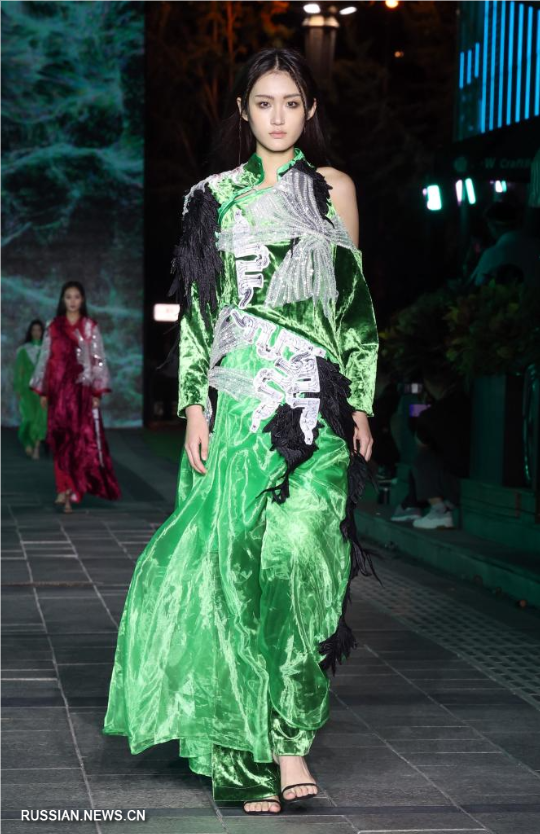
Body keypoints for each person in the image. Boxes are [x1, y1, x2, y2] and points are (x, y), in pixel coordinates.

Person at [102, 48, 379, 814]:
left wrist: (360, 403)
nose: (278, 116)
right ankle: (258, 756)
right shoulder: (211, 198)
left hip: (315, 410)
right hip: (240, 408)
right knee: (238, 572)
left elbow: (353, 307)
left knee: (302, 560)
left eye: (291, 102)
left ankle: (289, 733)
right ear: (243, 110)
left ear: (310, 109)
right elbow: (199, 311)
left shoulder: (333, 191)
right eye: (264, 102)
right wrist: (194, 405)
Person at [30, 282, 121, 513]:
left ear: (82, 300)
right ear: (63, 299)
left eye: (76, 296)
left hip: (81, 393)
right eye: (68, 296)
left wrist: (96, 392)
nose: (72, 301)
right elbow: (45, 358)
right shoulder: (53, 326)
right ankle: (62, 488)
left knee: (77, 441)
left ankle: (71, 490)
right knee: (59, 440)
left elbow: (98, 359)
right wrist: (44, 390)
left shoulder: (89, 327)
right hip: (58, 391)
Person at [391, 369, 471, 529]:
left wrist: (420, 407)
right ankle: (414, 503)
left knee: (423, 460)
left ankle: (439, 510)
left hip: (452, 481)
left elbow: (421, 443)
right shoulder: (467, 402)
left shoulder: (432, 414)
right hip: (463, 473)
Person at [14, 319, 48, 459]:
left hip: (42, 389)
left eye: (39, 330)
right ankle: (27, 441)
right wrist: (18, 389)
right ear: (30, 332)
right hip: (26, 389)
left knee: (41, 418)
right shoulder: (23, 350)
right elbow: (19, 371)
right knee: (28, 417)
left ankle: (37, 448)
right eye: (34, 330)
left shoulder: (47, 350)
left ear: (42, 332)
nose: (36, 332)